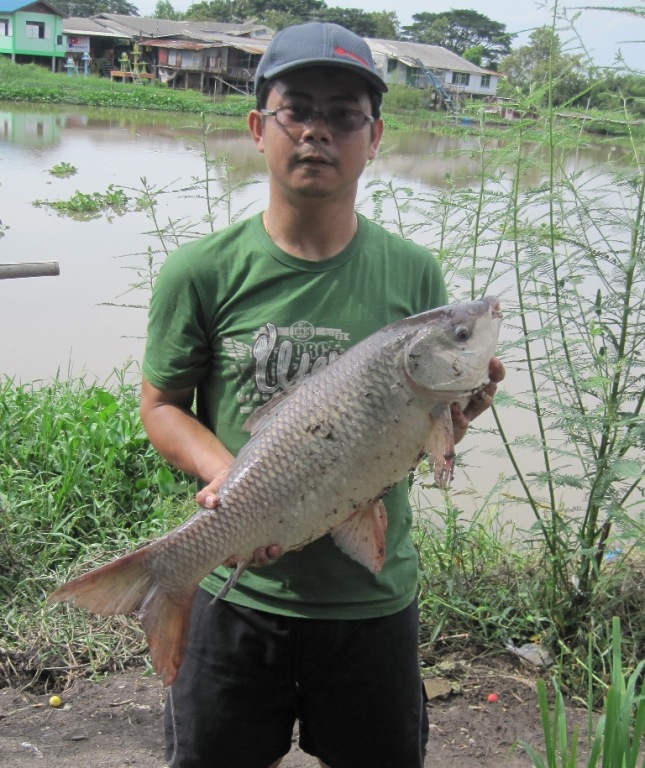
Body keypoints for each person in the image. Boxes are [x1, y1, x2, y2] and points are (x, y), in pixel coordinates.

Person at [139, 21, 504, 768]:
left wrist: (450, 426)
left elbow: (413, 434)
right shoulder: (200, 270)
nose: (316, 132)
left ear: (374, 139)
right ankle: (162, 578)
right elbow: (162, 405)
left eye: (342, 116)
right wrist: (231, 482)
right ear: (256, 128)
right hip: (234, 590)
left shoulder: (412, 275)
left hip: (369, 604)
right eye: (295, 109)